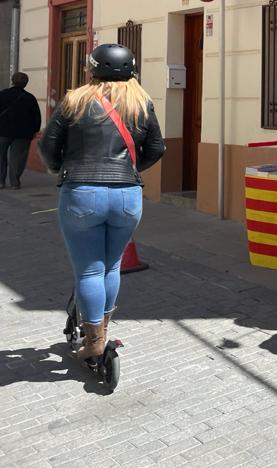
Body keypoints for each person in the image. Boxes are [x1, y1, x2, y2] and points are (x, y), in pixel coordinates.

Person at [38, 44, 165, 360]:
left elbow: (48, 145)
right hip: (127, 195)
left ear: (91, 70)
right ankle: (103, 332)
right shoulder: (141, 103)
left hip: (81, 193)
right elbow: (157, 147)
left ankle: (94, 339)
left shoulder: (75, 101)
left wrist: (60, 168)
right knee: (112, 266)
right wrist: (129, 170)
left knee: (89, 271)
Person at [0, 72, 42, 189]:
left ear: (12, 81)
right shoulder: (30, 98)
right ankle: (15, 182)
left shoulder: (2, 95)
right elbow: (36, 116)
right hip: (23, 133)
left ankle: (1, 182)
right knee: (18, 158)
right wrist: (35, 130)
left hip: (2, 131)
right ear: (26, 83)